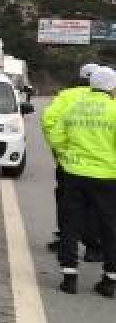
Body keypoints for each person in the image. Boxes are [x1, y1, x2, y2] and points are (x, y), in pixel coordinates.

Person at [43, 66, 116, 296]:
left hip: (73, 174)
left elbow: (55, 136)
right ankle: (109, 280)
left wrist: (66, 157)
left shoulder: (73, 108)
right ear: (112, 87)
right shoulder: (114, 111)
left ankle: (70, 277)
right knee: (109, 227)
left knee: (69, 224)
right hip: (107, 177)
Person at [46, 63, 103, 258]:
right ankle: (94, 248)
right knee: (97, 208)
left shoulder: (67, 96)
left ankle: (66, 245)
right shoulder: (110, 100)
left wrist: (59, 151)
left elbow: (49, 122)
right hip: (106, 169)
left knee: (67, 204)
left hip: (70, 164)